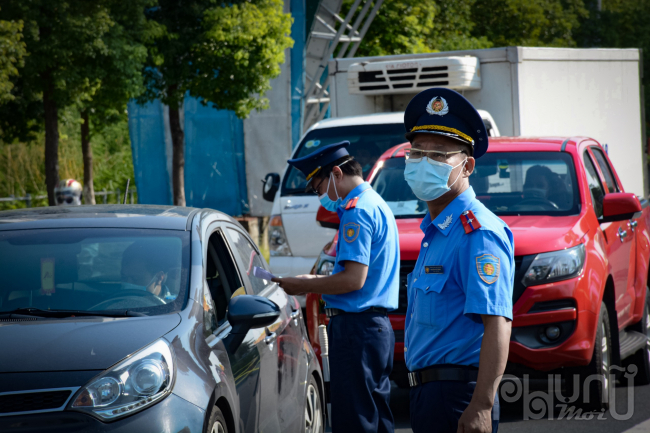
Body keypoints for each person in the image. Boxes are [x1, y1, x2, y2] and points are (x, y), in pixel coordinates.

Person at [402, 88, 514, 433]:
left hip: (457, 396)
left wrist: (482, 404)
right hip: (428, 394)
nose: (424, 162)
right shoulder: (437, 231)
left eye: (439, 156)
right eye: (417, 152)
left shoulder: (477, 232)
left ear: (467, 166)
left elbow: (498, 322)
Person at [272, 141, 399, 433]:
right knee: (375, 418)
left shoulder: (357, 211)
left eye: (319, 188)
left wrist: (306, 285)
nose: (321, 197)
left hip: (358, 330)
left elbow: (354, 279)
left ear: (337, 173)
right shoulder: (375, 204)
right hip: (373, 329)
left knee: (356, 421)